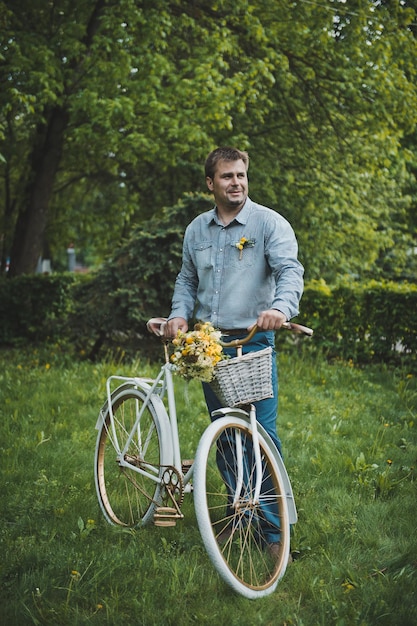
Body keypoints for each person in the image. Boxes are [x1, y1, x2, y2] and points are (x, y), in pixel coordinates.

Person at [165, 146, 304, 553]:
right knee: (224, 433)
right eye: (227, 176)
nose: (236, 182)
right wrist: (179, 316)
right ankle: (241, 515)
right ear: (211, 183)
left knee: (260, 435)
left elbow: (289, 271)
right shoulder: (197, 230)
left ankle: (276, 534)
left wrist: (279, 309)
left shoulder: (268, 224)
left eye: (241, 175)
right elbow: (187, 280)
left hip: (253, 341)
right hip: (209, 345)